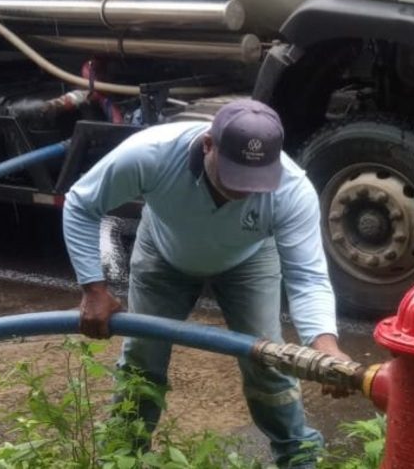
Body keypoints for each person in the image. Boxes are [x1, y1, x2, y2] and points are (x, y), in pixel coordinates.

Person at [62, 99, 349, 469]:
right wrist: (94, 289)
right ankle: (123, 455)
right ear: (208, 145)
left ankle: (299, 456)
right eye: (235, 176)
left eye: (256, 180)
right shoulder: (151, 154)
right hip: (164, 252)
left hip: (249, 260)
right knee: (142, 359)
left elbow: (307, 275)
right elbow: (81, 205)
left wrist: (326, 347)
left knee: (268, 362)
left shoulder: (292, 190)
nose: (246, 191)